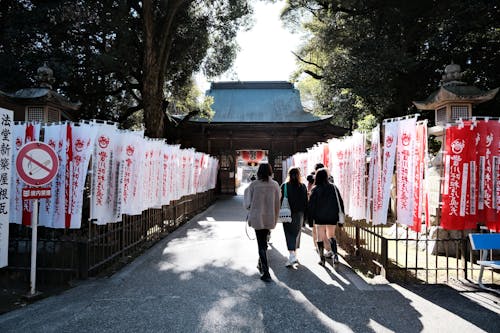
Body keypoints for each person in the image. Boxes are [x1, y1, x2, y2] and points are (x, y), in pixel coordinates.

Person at [244, 163, 281, 282]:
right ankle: (261, 264)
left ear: (259, 172)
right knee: (264, 241)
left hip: (257, 217)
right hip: (270, 217)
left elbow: (247, 204)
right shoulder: (275, 185)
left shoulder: (254, 185)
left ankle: (266, 271)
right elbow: (278, 200)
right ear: (270, 172)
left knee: (261, 243)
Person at [308, 167, 344, 265]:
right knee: (331, 235)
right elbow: (340, 202)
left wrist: (310, 220)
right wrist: (341, 217)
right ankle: (335, 256)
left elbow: (311, 206)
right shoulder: (333, 187)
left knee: (320, 237)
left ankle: (322, 259)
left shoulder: (315, 189)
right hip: (332, 216)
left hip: (319, 217)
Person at [281, 167, 308, 267]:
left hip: (287, 213)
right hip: (299, 213)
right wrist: (306, 216)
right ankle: (293, 254)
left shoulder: (285, 186)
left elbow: (280, 199)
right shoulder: (303, 186)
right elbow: (306, 202)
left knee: (288, 233)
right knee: (297, 233)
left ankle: (292, 255)